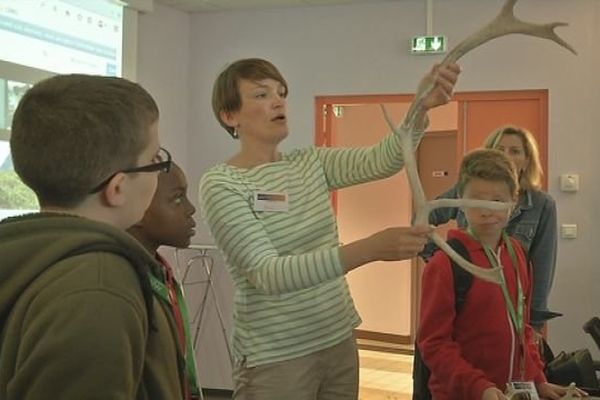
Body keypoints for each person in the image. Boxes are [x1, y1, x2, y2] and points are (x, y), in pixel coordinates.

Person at [199, 57, 459, 399]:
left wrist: (419, 107)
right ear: (229, 116)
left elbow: (384, 159)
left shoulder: (310, 162)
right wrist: (370, 249)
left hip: (337, 338)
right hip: (277, 355)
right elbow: (268, 274)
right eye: (261, 95)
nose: (278, 101)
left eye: (281, 93)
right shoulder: (222, 184)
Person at [0, 74, 186, 399]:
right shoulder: (100, 289)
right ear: (117, 189)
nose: (159, 172)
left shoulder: (28, 255)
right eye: (154, 159)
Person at [418, 149, 578, 400]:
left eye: (497, 201)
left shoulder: (517, 254)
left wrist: (538, 380)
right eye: (477, 201)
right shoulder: (444, 264)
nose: (487, 211)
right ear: (461, 199)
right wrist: (480, 388)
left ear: (513, 202)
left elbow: (522, 327)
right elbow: (434, 344)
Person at [423, 125, 557, 331]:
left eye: (515, 151)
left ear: (527, 160)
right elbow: (424, 217)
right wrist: (443, 258)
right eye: (499, 150)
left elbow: (542, 267)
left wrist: (534, 325)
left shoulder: (542, 205)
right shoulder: (463, 190)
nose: (507, 156)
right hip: (466, 300)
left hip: (512, 306)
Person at [128, 162, 200, 399]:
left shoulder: (161, 272)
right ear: (137, 208)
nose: (191, 209)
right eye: (177, 199)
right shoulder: (125, 284)